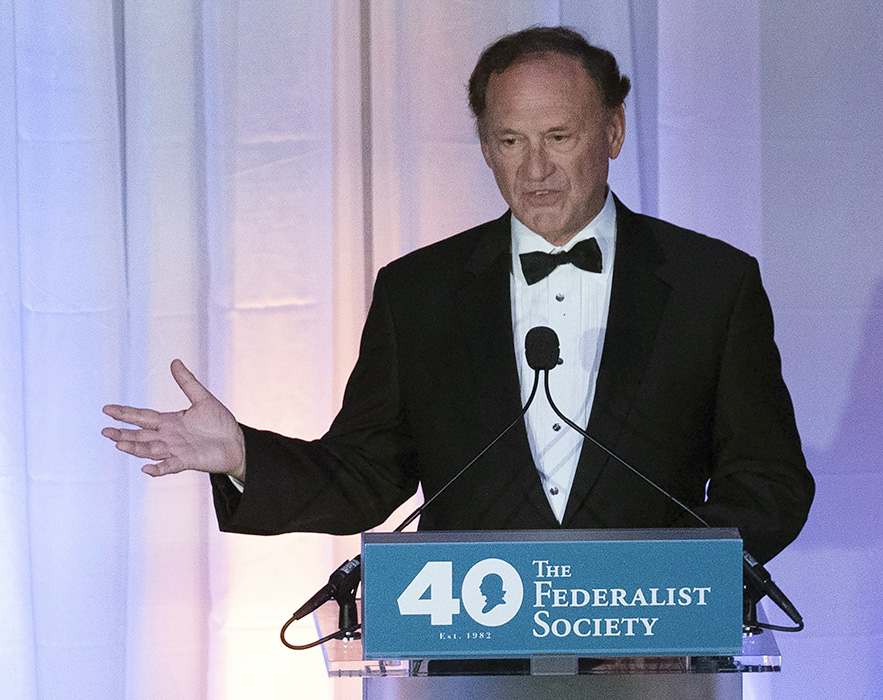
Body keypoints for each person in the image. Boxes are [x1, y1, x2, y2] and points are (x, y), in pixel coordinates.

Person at [103, 27, 813, 567]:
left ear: (613, 132)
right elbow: (368, 474)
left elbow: (771, 483)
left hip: (656, 660)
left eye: (558, 137)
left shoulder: (712, 285)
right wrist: (243, 457)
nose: (534, 169)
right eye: (509, 141)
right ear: (484, 145)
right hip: (470, 656)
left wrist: (667, 577)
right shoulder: (419, 294)